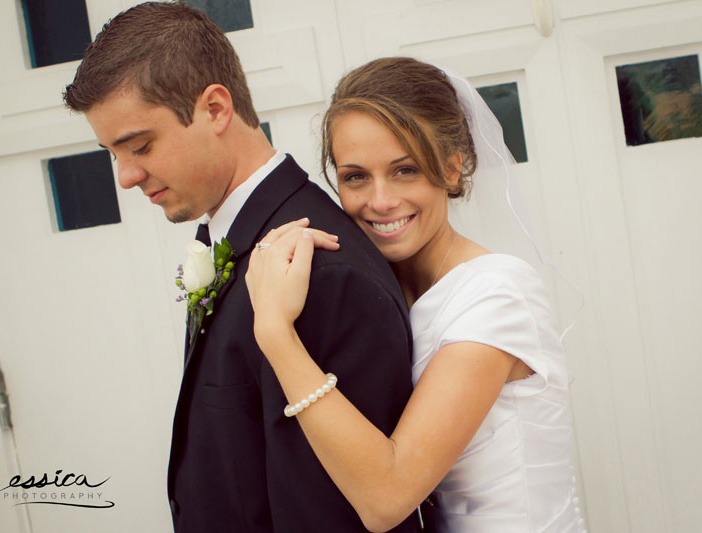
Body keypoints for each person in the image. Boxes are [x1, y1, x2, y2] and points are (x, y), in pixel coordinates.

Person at [63, 4, 420, 532]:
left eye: (139, 146)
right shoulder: (232, 239)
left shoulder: (326, 274)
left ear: (214, 109)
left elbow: (330, 515)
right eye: (111, 154)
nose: (126, 176)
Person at [246, 57, 584, 532]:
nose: (380, 200)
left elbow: (388, 498)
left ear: (451, 169)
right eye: (356, 176)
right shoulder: (376, 294)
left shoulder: (497, 296)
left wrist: (276, 333)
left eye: (405, 170)